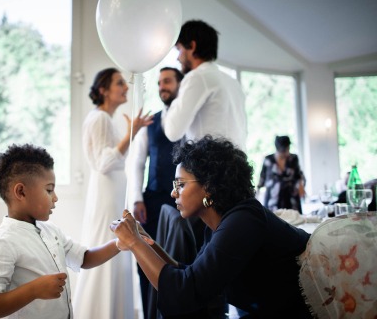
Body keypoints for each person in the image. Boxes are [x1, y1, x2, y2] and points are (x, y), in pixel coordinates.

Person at [111, 136, 312, 318]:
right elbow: (192, 275)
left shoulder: (244, 220)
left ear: (207, 186)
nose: (174, 193)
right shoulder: (219, 224)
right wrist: (145, 241)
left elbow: (185, 292)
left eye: (180, 185)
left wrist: (134, 243)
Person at [0, 144, 122, 319]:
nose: (55, 197)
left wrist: (119, 243)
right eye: (49, 190)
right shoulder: (3, 242)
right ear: (21, 192)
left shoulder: (51, 232)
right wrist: (33, 290)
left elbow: (84, 258)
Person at [72, 67, 153, 319]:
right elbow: (104, 163)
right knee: (107, 245)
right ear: (103, 90)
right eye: (119, 83)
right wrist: (133, 134)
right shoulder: (100, 119)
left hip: (111, 194)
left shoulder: (105, 118)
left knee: (115, 246)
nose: (126, 87)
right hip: (106, 196)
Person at [128, 67, 205, 318]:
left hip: (187, 201)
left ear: (181, 85)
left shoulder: (193, 119)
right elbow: (138, 161)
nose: (162, 86)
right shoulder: (150, 123)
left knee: (183, 257)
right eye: (160, 82)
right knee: (146, 258)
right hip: (151, 200)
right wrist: (137, 198)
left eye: (168, 81)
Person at [162, 20, 247, 151]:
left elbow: (173, 132)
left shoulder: (197, 77)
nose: (177, 58)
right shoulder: (233, 82)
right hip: (235, 166)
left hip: (207, 167)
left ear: (192, 46)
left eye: (179, 49)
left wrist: (173, 100)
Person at [257, 135, 306, 214]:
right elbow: (262, 177)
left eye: (287, 149)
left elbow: (299, 175)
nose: (285, 152)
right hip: (273, 200)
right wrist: (257, 193)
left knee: (294, 222)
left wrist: (301, 186)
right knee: (273, 223)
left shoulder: (293, 158)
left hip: (291, 199)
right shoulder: (268, 160)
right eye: (283, 150)